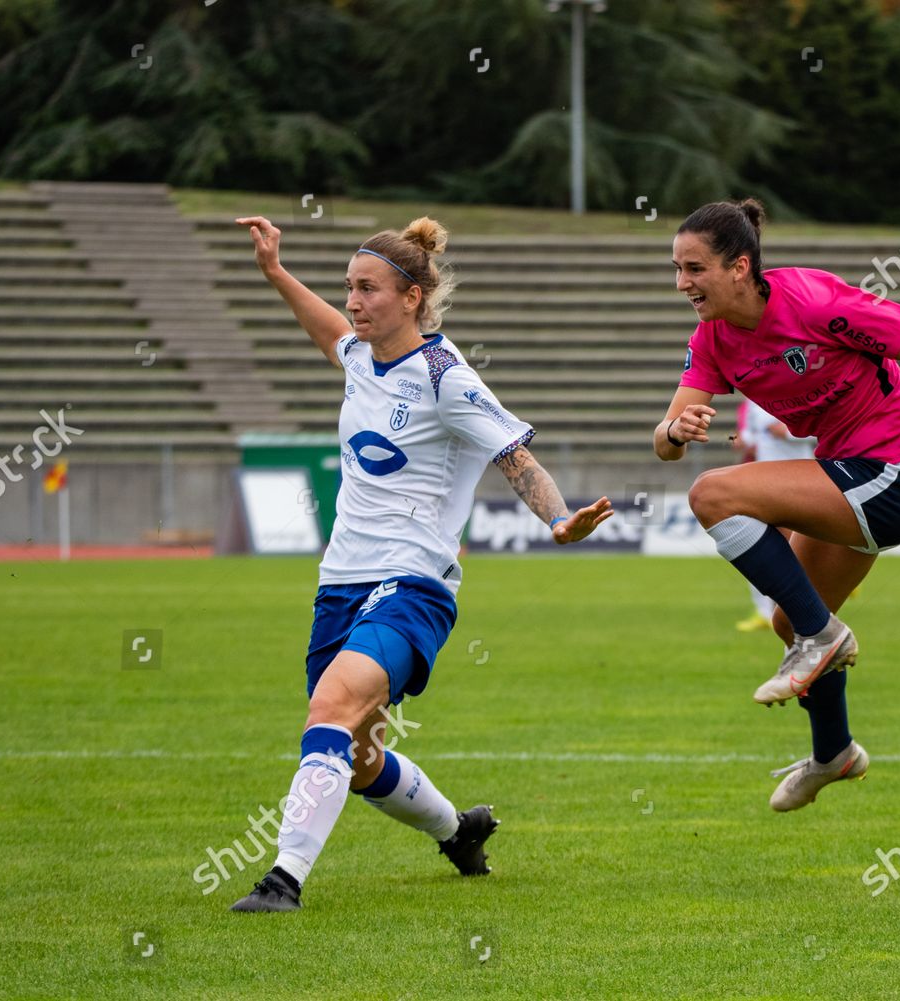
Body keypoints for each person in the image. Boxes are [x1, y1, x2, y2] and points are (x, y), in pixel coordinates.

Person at [228, 214, 613, 911]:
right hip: (340, 580)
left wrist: (559, 517)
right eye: (348, 286)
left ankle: (282, 879)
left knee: (331, 703)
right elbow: (326, 331)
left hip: (413, 583)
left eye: (368, 288)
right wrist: (276, 272)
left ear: (412, 297)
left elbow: (514, 457)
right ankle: (457, 830)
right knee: (361, 756)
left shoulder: (446, 377)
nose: (352, 300)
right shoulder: (358, 358)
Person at [653, 199, 900, 812]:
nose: (682, 283)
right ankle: (833, 752)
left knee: (714, 494)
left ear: (739, 267)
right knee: (788, 621)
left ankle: (823, 637)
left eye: (694, 268)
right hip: (848, 476)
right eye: (676, 269)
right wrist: (676, 433)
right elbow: (665, 439)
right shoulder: (712, 339)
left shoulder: (814, 301)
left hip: (897, 473)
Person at [731, 400, 816, 633]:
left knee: (787, 545)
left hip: (796, 476)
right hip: (767, 476)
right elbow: (750, 435)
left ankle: (831, 572)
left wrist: (789, 431)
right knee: (756, 541)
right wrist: (740, 440)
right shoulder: (750, 403)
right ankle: (764, 611)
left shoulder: (790, 394)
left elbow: (785, 431)